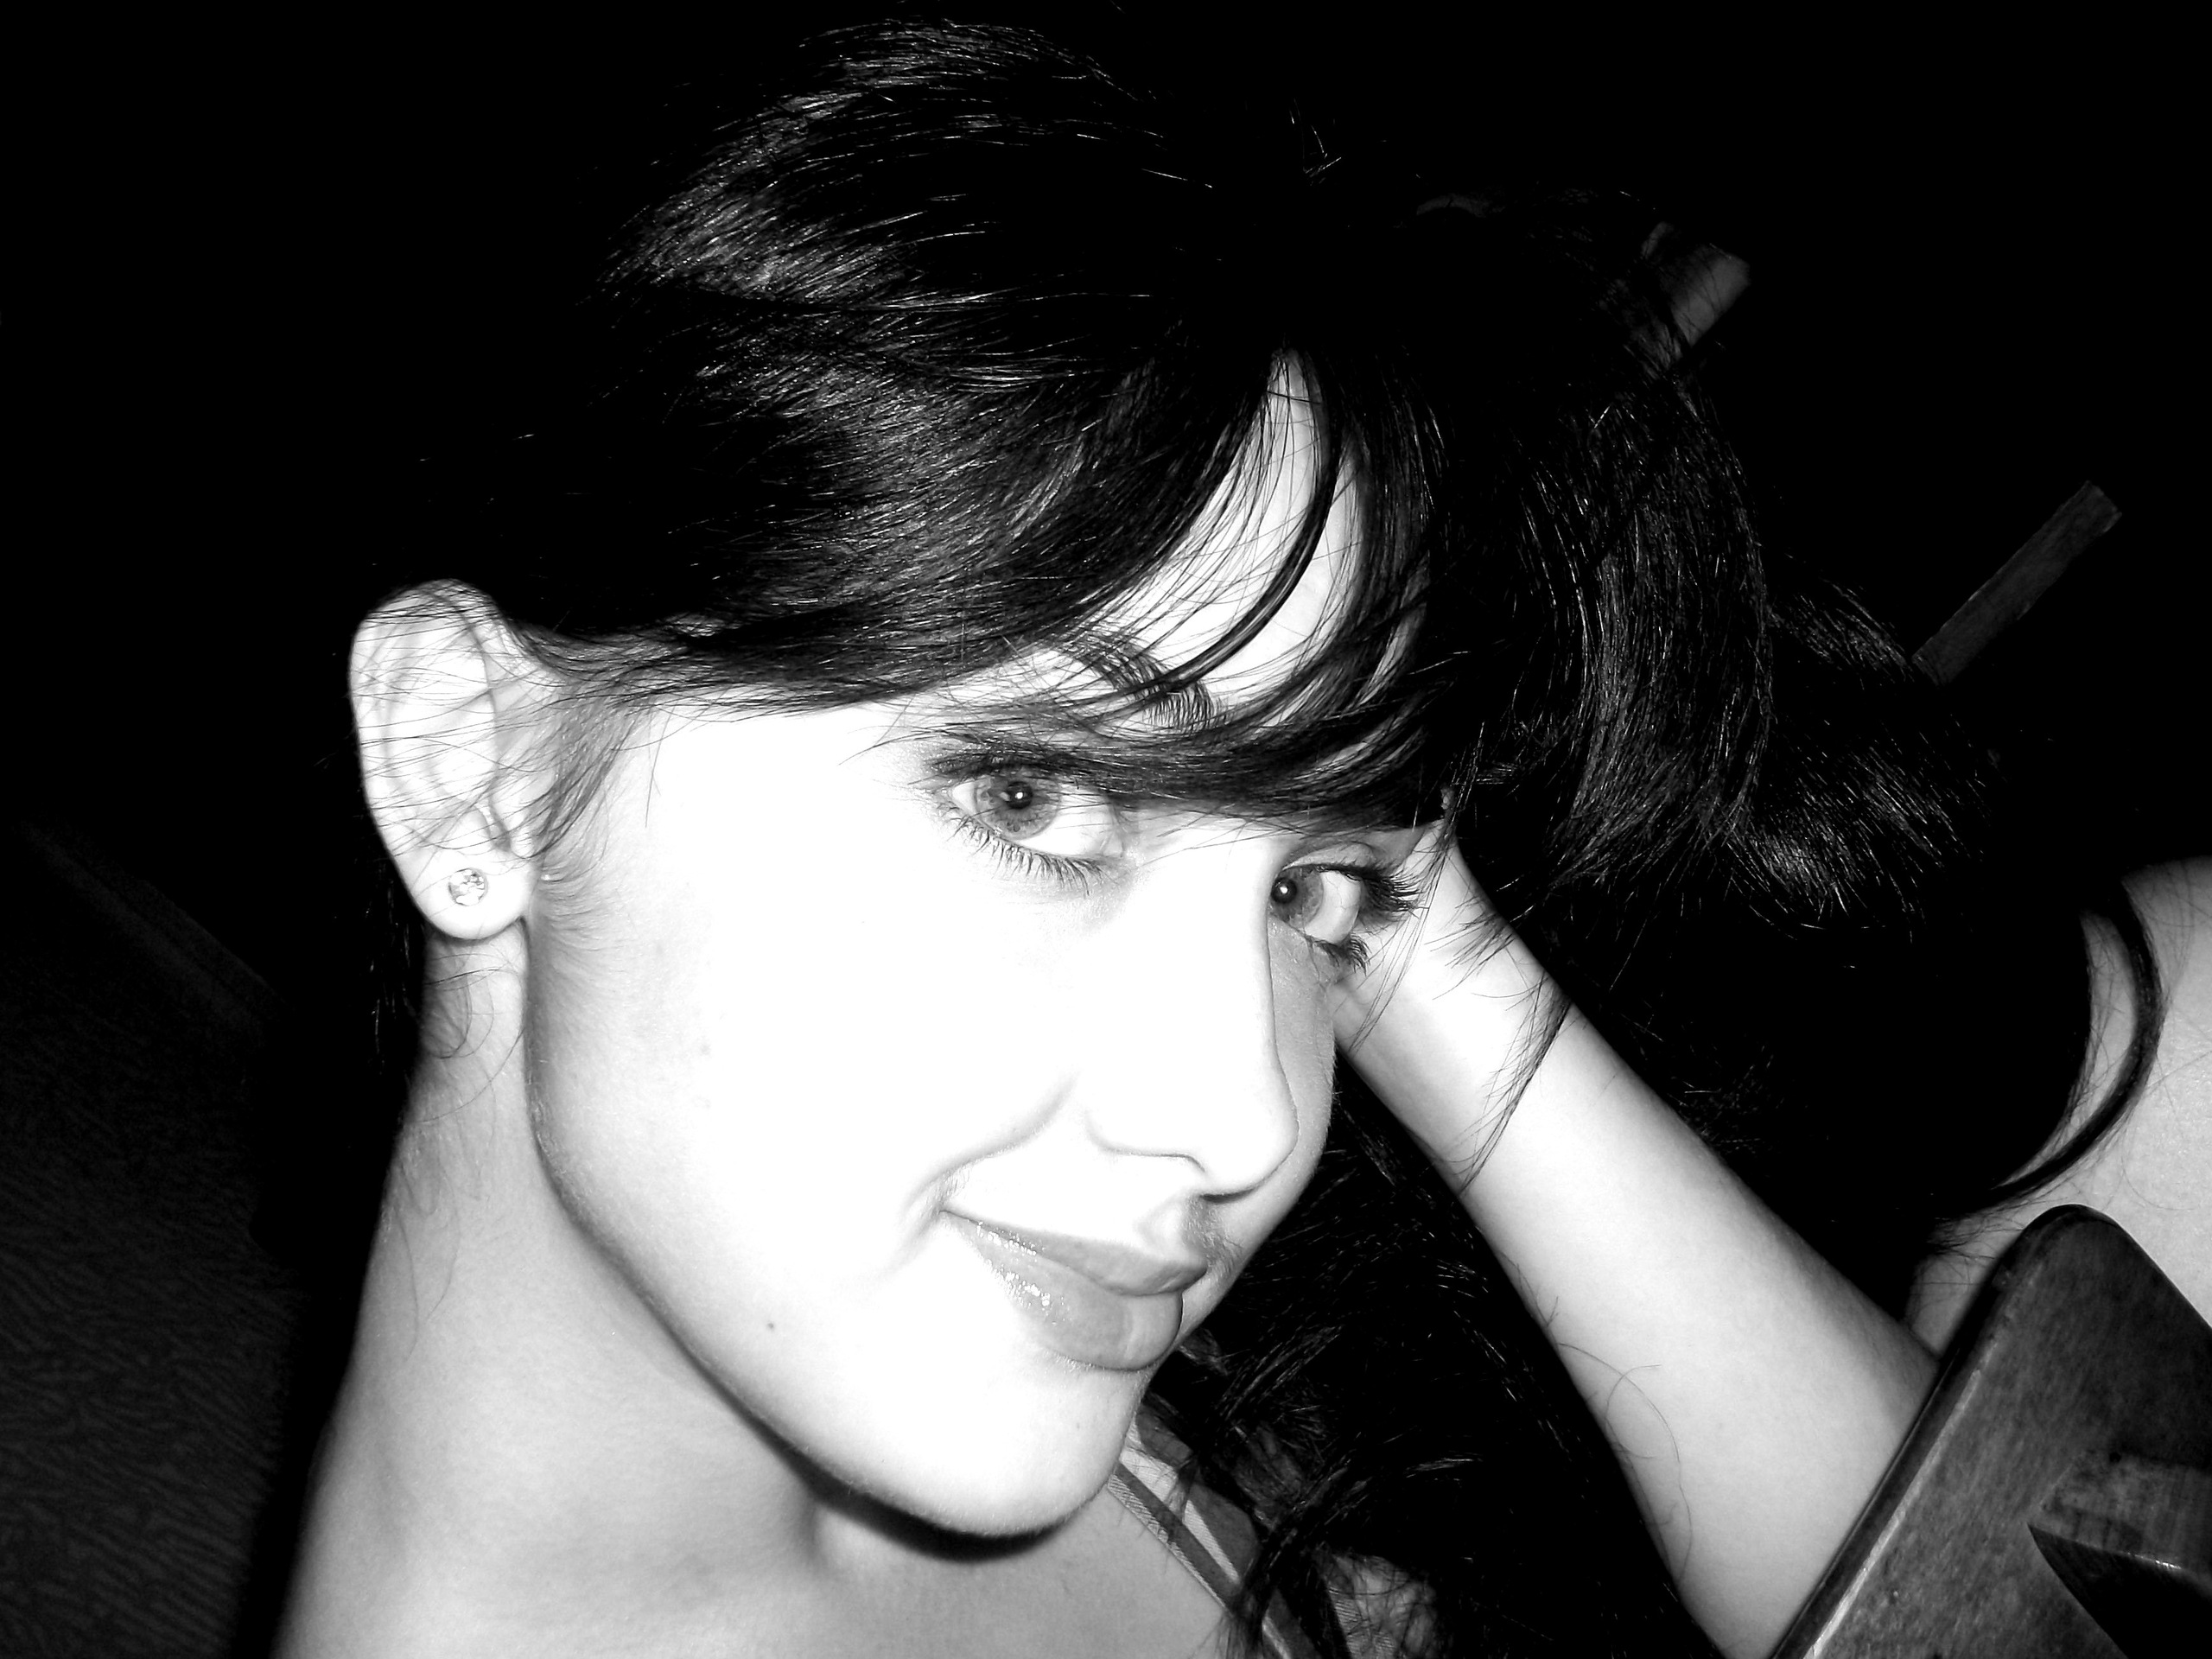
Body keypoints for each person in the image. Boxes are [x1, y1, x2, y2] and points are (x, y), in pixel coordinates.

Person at [271, 22, 2205, 1659]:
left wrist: (1381, 889)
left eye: (1306, 897)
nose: (1250, 1121)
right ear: (473, 762)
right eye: (1030, 798)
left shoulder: (888, 1331)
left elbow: (1992, 1594)